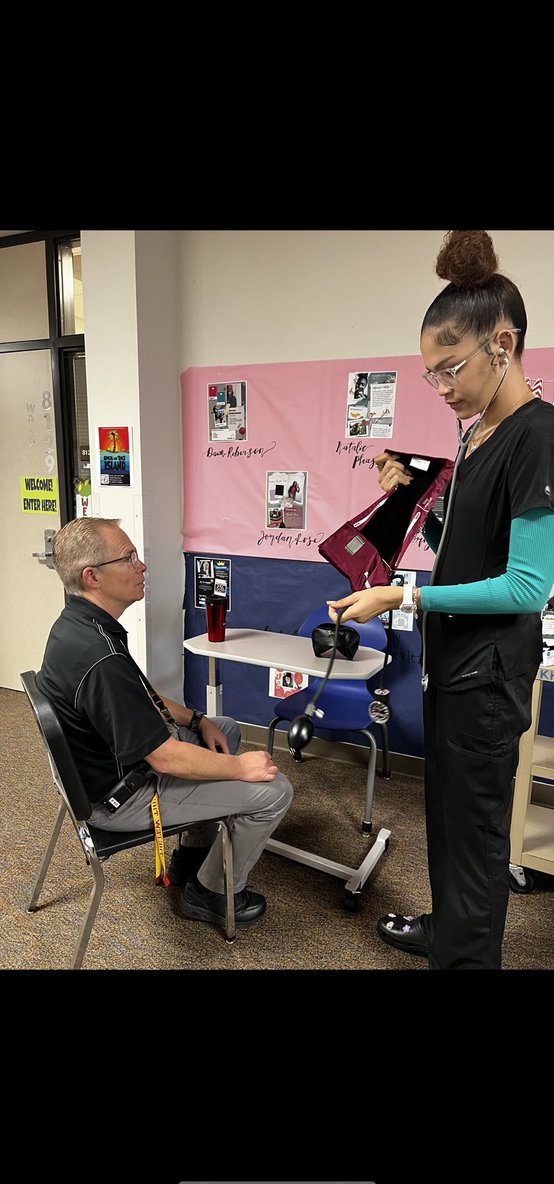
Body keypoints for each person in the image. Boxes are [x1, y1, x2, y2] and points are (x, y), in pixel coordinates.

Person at [327, 229, 554, 970]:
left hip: (487, 677)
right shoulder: (477, 434)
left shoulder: (538, 436)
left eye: (450, 368)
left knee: (479, 830)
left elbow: (527, 585)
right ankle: (451, 927)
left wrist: (406, 596)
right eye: (431, 375)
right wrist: (414, 500)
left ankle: (467, 955)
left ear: (504, 344)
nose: (443, 387)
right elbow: (464, 542)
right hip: (453, 666)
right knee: (448, 817)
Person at [36, 517, 293, 930]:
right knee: (275, 791)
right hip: (120, 800)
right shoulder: (100, 658)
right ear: (92, 576)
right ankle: (210, 893)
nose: (142, 567)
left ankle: (190, 855)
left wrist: (197, 718)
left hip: (107, 770)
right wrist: (241, 769)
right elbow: (166, 758)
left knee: (223, 729)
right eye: (130, 558)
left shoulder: (80, 624)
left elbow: (141, 697)